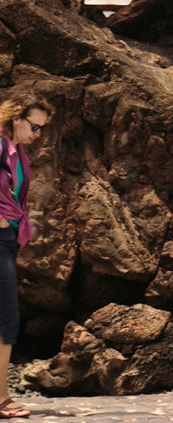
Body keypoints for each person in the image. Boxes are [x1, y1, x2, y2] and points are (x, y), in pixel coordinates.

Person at [0, 97, 52, 420]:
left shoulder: (20, 158)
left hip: (8, 241)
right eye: (34, 126)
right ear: (16, 118)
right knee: (8, 320)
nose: (37, 134)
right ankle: (2, 399)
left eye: (41, 129)